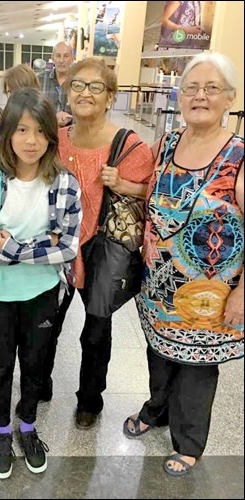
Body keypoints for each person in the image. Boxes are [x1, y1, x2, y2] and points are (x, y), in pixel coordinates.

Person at [123, 53, 244, 476]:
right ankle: (156, 409)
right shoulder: (169, 142)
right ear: (179, 95)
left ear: (230, 97)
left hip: (208, 296)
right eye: (192, 87)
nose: (200, 96)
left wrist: (244, 292)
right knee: (159, 354)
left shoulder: (239, 155)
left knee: (196, 367)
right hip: (158, 285)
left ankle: (189, 441)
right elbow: (154, 194)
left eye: (212, 88)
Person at [0, 87, 82, 479]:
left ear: (52, 135)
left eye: (39, 131)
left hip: (42, 294)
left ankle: (28, 427)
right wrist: (42, 244)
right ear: (7, 135)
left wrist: (15, 247)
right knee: (1, 367)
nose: (31, 140)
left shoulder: (65, 185)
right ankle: (3, 431)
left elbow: (68, 249)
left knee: (35, 365)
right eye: (21, 130)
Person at [42, 58, 154, 426]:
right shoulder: (54, 137)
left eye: (95, 87)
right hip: (56, 245)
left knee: (96, 330)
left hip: (102, 247)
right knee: (45, 324)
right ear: (66, 89)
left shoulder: (130, 145)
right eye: (77, 85)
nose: (84, 93)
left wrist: (122, 184)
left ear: (110, 97)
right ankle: (39, 383)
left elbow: (152, 196)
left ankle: (90, 400)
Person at [39, 41, 74, 127]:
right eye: (58, 56)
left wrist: (71, 118)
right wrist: (53, 119)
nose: (61, 60)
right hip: (45, 133)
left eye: (66, 56)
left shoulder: (79, 82)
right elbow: (33, 110)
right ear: (53, 58)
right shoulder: (39, 80)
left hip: (72, 135)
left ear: (72, 58)